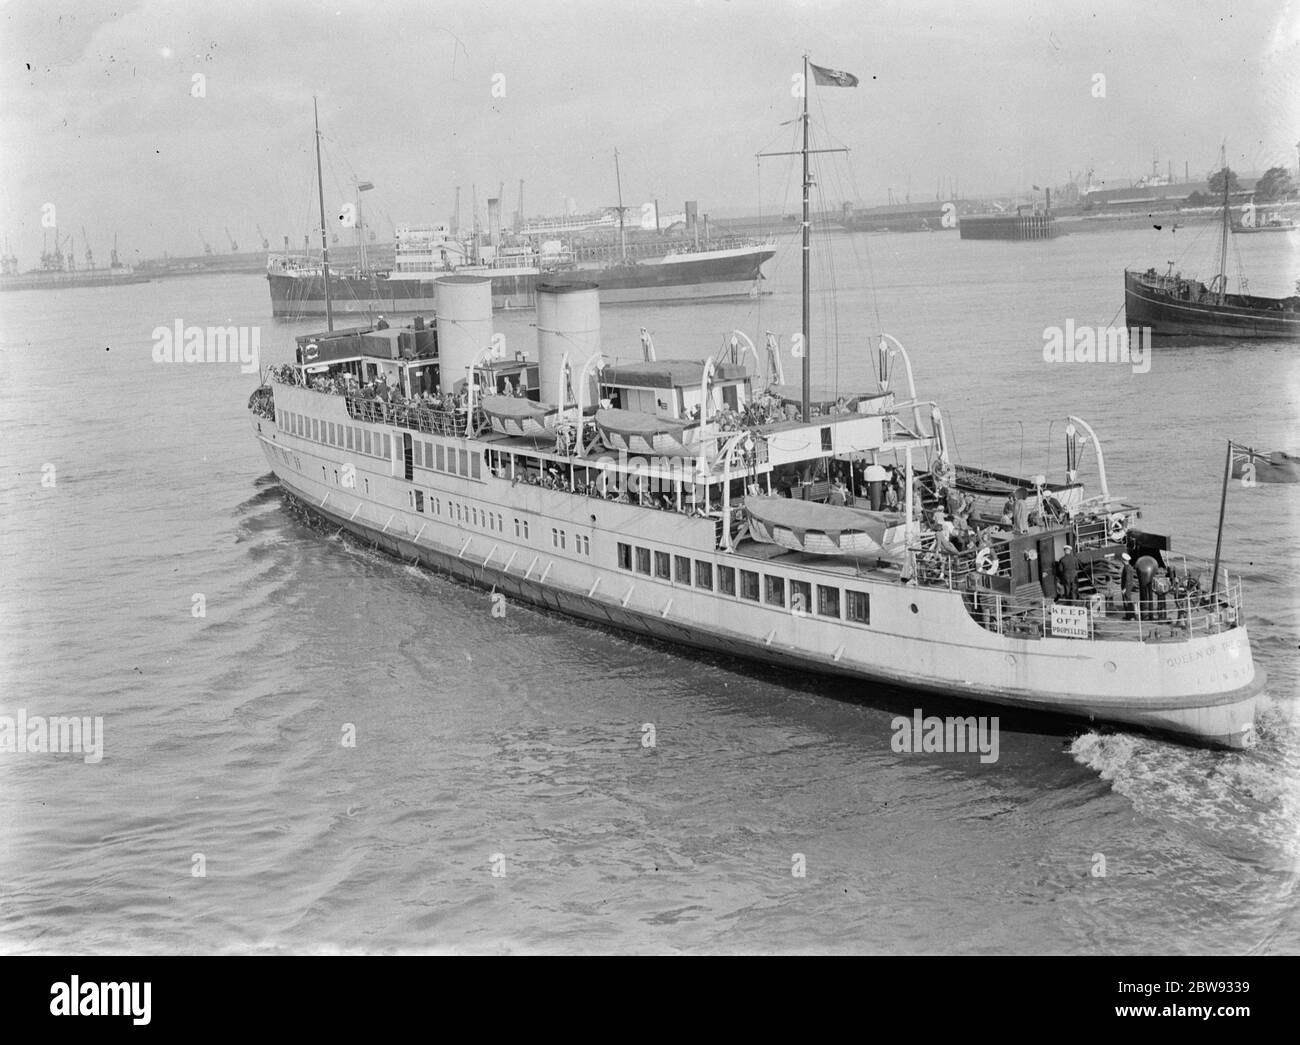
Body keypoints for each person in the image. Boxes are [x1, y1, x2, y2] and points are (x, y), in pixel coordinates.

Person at [1119, 552, 1138, 620]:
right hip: (1127, 587)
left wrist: (1125, 589)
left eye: (1122, 559)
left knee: (1128, 601)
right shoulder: (1127, 567)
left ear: (1124, 560)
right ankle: (1128, 615)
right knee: (1126, 601)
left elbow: (1128, 579)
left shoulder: (1127, 568)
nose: (1121, 560)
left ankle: (1131, 616)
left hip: (1127, 588)